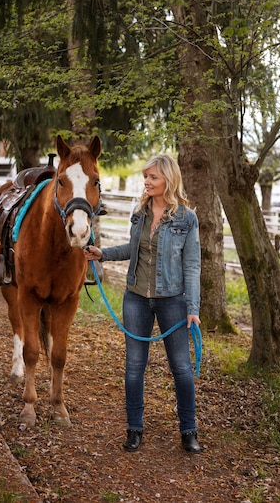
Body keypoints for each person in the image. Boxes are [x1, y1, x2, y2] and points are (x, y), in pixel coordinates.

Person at [84, 154, 201, 453]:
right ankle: (134, 428)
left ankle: (189, 431)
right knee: (134, 367)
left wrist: (193, 309)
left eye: (153, 177)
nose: (147, 182)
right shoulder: (140, 213)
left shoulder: (186, 218)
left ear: (168, 180)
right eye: (145, 177)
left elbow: (192, 266)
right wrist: (103, 254)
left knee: (181, 368)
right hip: (136, 297)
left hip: (173, 301)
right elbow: (132, 249)